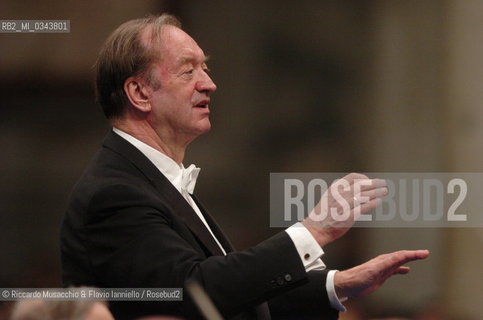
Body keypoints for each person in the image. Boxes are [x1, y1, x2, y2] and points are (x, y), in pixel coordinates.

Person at [60, 14, 429, 320]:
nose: (210, 83)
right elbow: (190, 296)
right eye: (188, 71)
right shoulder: (115, 192)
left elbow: (232, 300)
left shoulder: (152, 180)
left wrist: (337, 285)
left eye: (205, 67)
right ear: (139, 93)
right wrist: (312, 231)